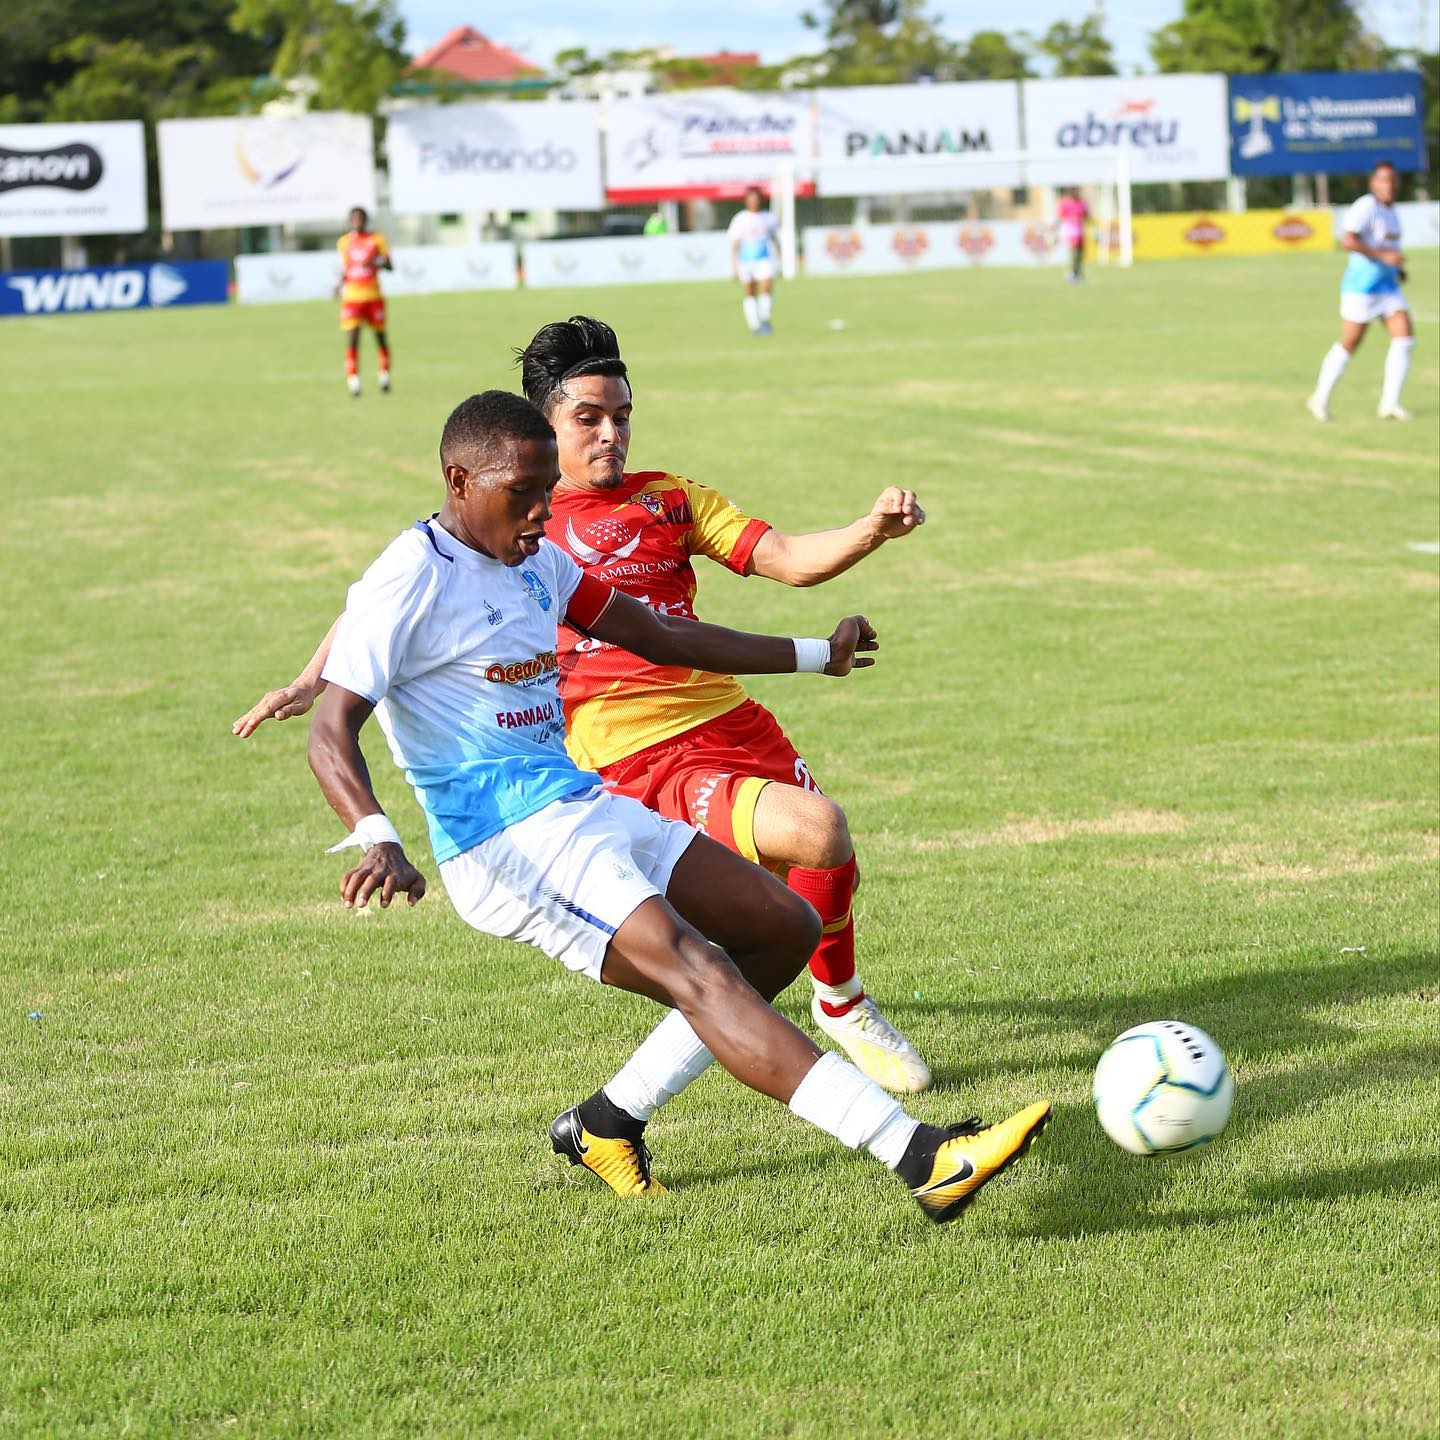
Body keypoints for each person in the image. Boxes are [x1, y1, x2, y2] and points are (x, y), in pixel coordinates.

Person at [279, 388, 1051, 1222]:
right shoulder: (409, 577)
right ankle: (921, 1157)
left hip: (581, 804)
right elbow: (332, 729)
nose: (542, 512)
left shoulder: (535, 559)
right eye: (522, 493)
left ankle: (606, 1122)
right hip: (508, 845)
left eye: (547, 490)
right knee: (702, 969)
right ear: (458, 480)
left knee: (780, 930)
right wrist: (376, 835)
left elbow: (660, 634)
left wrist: (814, 654)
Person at [234, 316, 936, 1096]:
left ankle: (721, 1056)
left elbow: (781, 564)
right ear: (544, 429)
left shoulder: (670, 500)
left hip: (729, 718)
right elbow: (390, 596)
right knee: (808, 839)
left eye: (623, 416)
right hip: (630, 758)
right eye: (589, 418)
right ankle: (845, 1022)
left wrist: (869, 533)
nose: (611, 435)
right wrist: (310, 681)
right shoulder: (515, 516)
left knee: (816, 877)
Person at [1308, 161, 1414, 422]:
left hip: (1387, 288)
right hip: (1362, 288)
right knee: (1350, 343)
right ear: (1373, 183)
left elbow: (1386, 252)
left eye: (1393, 180)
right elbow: (1348, 240)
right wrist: (1383, 257)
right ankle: (1319, 398)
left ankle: (1389, 403)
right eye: (1383, 180)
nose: (1389, 185)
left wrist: (1396, 270)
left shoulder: (1391, 212)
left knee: (1404, 339)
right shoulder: (1366, 206)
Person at [335, 206, 393, 398]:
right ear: (350, 221)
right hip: (352, 298)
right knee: (352, 340)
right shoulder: (344, 242)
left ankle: (384, 377)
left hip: (373, 296)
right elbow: (345, 268)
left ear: (365, 220)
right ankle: (354, 383)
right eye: (354, 218)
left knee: (380, 338)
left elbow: (389, 265)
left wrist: (376, 261)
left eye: (360, 218)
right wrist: (338, 284)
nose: (357, 221)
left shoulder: (377, 239)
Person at [727, 186, 779, 336]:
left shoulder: (768, 218)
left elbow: (775, 239)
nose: (754, 201)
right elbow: (734, 243)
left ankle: (765, 319)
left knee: (766, 287)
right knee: (750, 291)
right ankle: (754, 324)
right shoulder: (740, 219)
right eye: (751, 198)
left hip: (764, 259)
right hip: (746, 261)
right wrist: (734, 266)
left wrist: (779, 261)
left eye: (756, 198)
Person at [1058, 188, 1089, 284]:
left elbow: (1086, 215)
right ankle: (1071, 273)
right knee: (1074, 253)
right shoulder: (1066, 204)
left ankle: (1078, 273)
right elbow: (1060, 215)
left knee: (1080, 253)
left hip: (1080, 230)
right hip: (1071, 231)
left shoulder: (1082, 203)